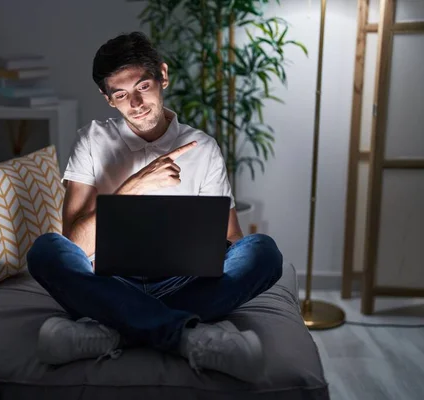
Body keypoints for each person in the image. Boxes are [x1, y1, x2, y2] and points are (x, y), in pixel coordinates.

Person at [27, 31, 283, 382]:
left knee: (264, 252)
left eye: (143, 86)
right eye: (121, 94)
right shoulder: (92, 140)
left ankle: (114, 329)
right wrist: (136, 185)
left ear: (163, 75)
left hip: (181, 281)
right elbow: (74, 243)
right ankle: (189, 336)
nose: (135, 103)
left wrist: (221, 259)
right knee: (45, 250)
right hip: (110, 278)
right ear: (108, 99)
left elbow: (233, 237)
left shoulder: (201, 147)